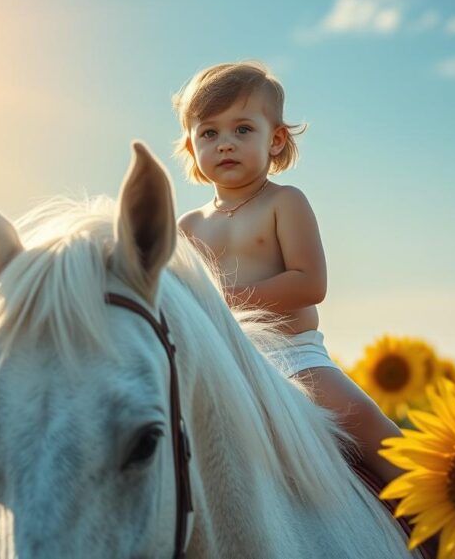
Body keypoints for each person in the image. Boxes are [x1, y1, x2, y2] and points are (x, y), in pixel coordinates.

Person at [172, 61, 405, 488]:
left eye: (243, 129)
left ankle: (437, 510)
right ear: (191, 146)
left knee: (362, 420)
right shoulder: (188, 227)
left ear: (276, 139)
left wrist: (221, 301)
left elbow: (310, 283)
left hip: (295, 359)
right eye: (209, 133)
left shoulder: (284, 202)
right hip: (224, 362)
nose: (225, 144)